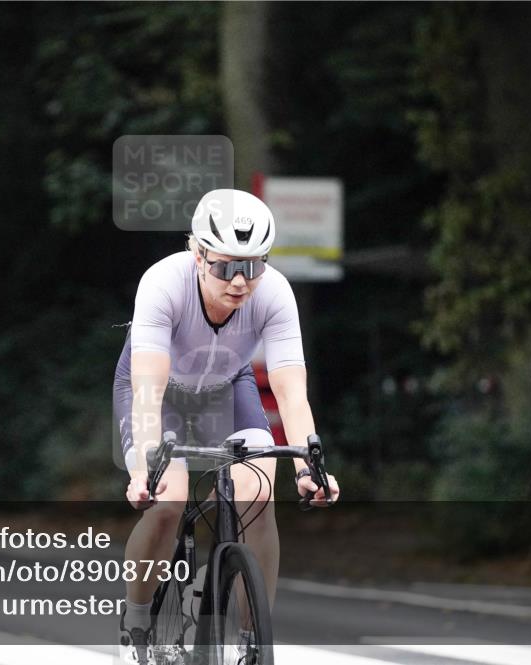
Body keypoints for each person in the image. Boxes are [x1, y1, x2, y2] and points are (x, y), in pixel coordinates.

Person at [113, 188, 341, 664]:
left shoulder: (275, 293)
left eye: (253, 266)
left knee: (258, 493)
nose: (240, 281)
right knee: (167, 503)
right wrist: (144, 470)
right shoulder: (162, 283)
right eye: (225, 266)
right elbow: (149, 387)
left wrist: (310, 468)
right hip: (161, 389)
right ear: (197, 254)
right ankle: (137, 620)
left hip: (225, 385)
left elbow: (290, 391)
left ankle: (254, 641)